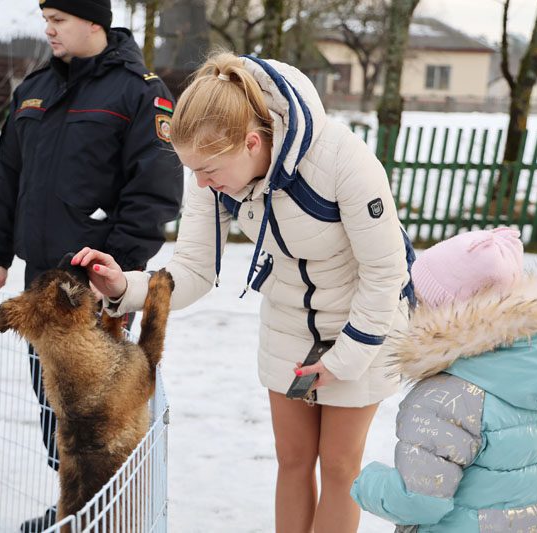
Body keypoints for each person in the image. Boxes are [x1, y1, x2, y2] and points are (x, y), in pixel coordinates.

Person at [72, 51, 415, 532]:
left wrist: (345, 360)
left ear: (253, 143)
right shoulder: (211, 173)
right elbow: (193, 266)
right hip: (288, 323)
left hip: (364, 326)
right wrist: (126, 287)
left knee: (339, 466)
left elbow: (386, 273)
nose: (201, 183)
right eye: (193, 171)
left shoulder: (344, 161)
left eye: (208, 172)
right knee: (292, 460)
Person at [0, 1, 183, 530]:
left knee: (101, 414)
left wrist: (116, 273)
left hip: (95, 287)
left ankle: (111, 510)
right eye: (45, 18)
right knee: (57, 409)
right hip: (40, 283)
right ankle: (73, 502)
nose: (48, 29)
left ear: (94, 21)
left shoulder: (139, 90)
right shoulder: (34, 88)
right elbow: (10, 177)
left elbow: (154, 192)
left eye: (59, 19)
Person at [351, 227, 537, 532]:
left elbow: (419, 500)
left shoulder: (445, 397)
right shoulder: (535, 369)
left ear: (442, 313)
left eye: (419, 298)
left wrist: (367, 482)